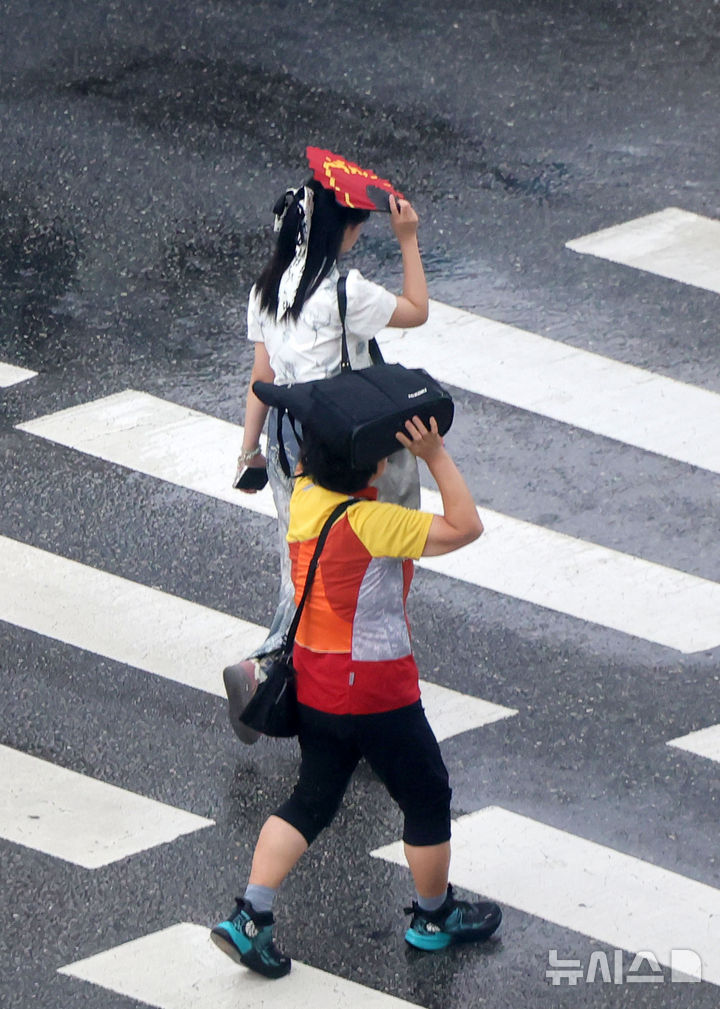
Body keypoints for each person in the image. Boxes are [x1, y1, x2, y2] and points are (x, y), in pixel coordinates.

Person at [211, 415, 502, 978]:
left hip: (316, 685)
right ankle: (434, 916)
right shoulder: (375, 523)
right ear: (372, 467)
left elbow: (308, 461)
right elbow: (465, 526)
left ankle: (250, 916)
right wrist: (434, 455)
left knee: (310, 802)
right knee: (427, 797)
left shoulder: (304, 500)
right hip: (377, 690)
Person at [224, 173, 430, 743]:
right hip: (345, 444)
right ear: (344, 233)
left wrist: (249, 451)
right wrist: (408, 238)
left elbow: (262, 377)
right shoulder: (345, 294)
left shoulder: (267, 289)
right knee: (370, 563)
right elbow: (417, 309)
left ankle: (275, 671)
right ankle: (310, 680)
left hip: (286, 440)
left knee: (303, 563)